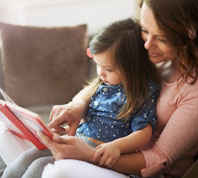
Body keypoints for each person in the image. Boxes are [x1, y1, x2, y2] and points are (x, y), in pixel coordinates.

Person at [37, 0, 198, 178]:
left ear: (190, 35)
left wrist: (90, 154)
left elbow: (159, 158)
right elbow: (101, 84)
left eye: (162, 38)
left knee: (56, 172)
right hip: (102, 149)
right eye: (145, 30)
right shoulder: (155, 55)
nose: (147, 44)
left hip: (142, 171)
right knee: (17, 143)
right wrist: (76, 105)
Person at [1, 18, 160, 178]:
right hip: (78, 140)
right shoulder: (104, 84)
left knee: (40, 166)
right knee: (27, 158)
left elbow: (143, 134)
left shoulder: (142, 93)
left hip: (99, 153)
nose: (100, 73)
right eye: (97, 65)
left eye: (108, 69)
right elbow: (84, 102)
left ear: (133, 67)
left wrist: (116, 147)